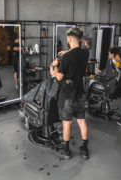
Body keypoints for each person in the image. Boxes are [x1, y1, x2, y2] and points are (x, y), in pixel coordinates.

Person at [50, 27, 89, 160]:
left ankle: (65, 150)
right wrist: (67, 51)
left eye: (67, 38)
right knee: (81, 121)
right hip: (80, 92)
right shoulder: (85, 54)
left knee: (67, 122)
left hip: (68, 94)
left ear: (70, 39)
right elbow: (76, 53)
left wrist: (54, 67)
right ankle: (84, 149)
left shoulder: (66, 58)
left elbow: (58, 78)